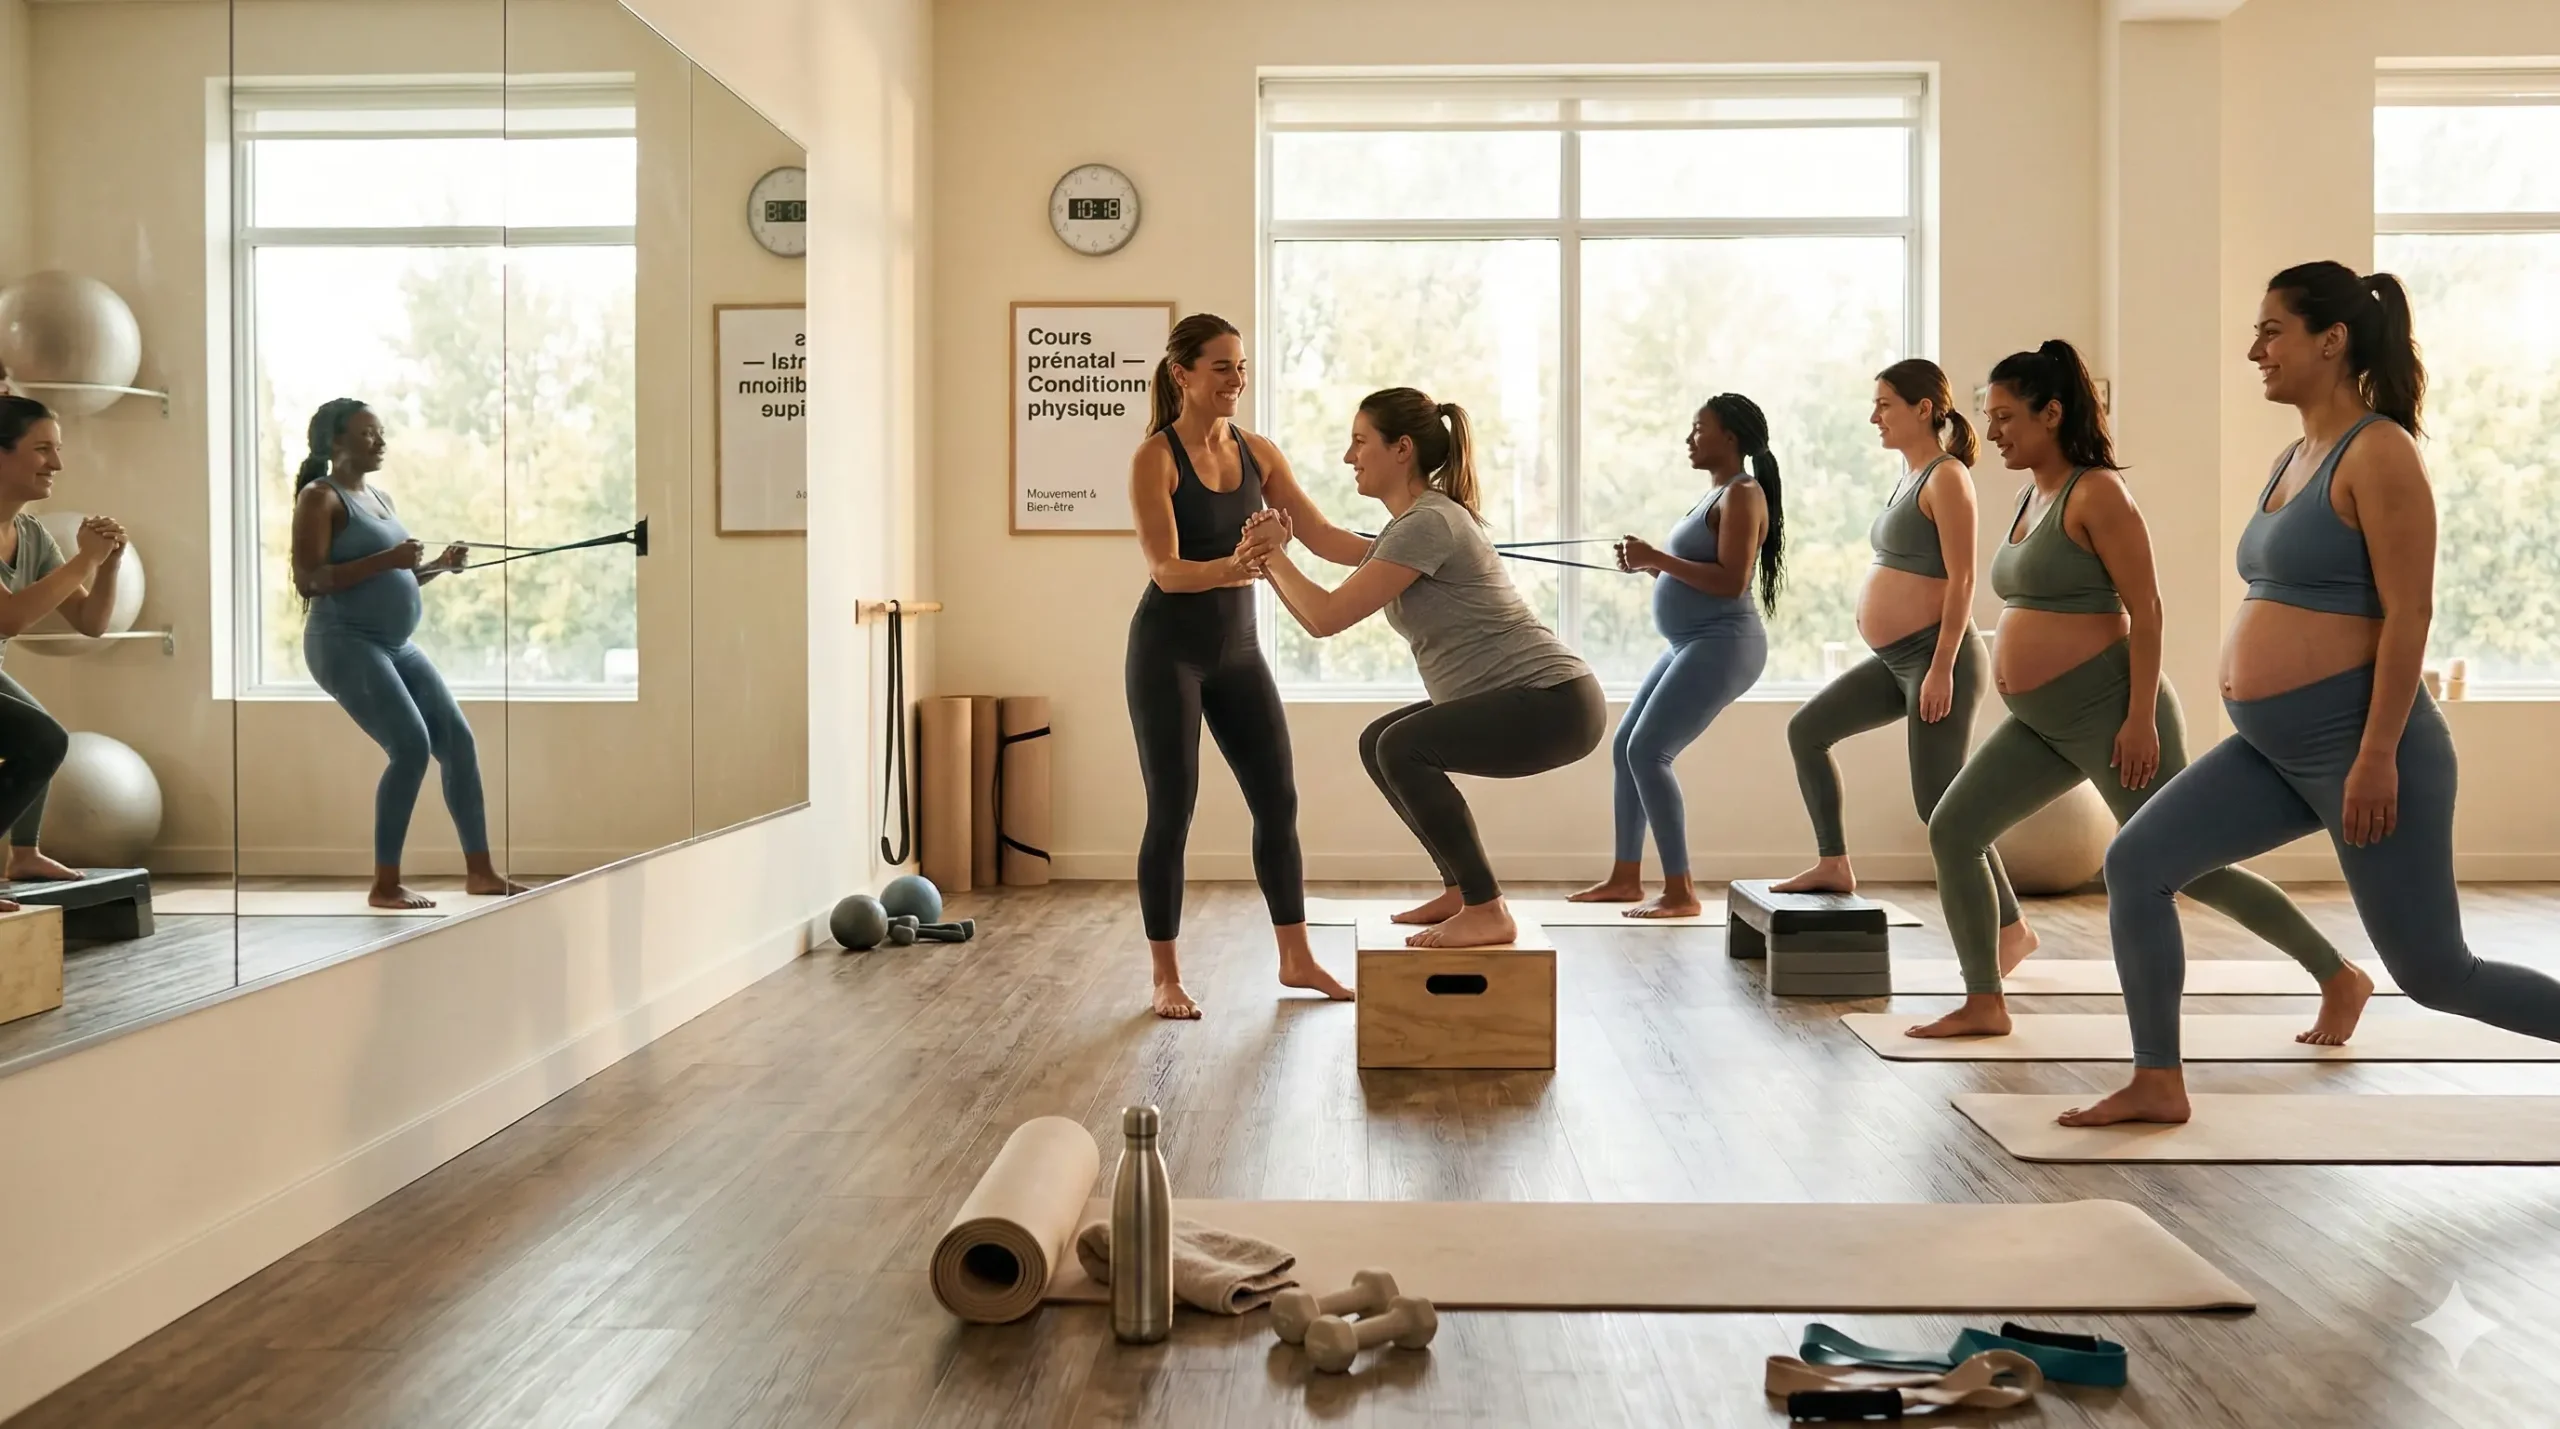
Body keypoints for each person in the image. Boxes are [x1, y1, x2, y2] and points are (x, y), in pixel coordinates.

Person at [2065, 264, 2560, 1126]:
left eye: (2272, 331)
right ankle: (2157, 1078)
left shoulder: (2381, 450)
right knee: (2136, 864)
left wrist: (2375, 755)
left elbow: (2411, 612)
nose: (2254, 349)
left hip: (2365, 745)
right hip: (2273, 749)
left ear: (2331, 340)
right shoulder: (2293, 455)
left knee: (2437, 973)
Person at [1907, 340, 2360, 1042]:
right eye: (1987, 416)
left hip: (2112, 711)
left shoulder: (2100, 492)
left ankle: (2337, 974)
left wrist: (2140, 717)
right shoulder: (2035, 493)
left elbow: (2146, 609)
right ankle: (1984, 1000)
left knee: (2192, 868)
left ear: (2051, 412)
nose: (1991, 431)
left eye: (2004, 416)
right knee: (1954, 828)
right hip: (2042, 720)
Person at [1255, 387, 1606, 950]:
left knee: (1402, 747)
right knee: (1379, 741)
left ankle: (1487, 908)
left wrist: (1272, 555)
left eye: (1359, 442)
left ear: (1402, 450)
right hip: (1545, 698)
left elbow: (1324, 618)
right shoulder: (1408, 526)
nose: (1350, 458)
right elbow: (1324, 541)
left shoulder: (1427, 524)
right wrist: (1271, 494)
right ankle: (1460, 889)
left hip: (1553, 701)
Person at [1124, 313, 1351, 1020]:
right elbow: (1167, 572)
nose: (1236, 378)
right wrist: (1242, 562)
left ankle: (1296, 955)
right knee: (1172, 809)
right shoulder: (1154, 458)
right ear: (1181, 374)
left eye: (1242, 364)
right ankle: (1165, 974)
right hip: (1168, 653)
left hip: (1239, 653)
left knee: (1278, 800)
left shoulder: (1259, 452)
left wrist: (1417, 541)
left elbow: (1321, 535)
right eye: (1220, 366)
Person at [1772, 359, 2034, 969]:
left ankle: (2012, 927)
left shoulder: (1947, 478)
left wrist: (1941, 666)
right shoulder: (1908, 478)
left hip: (1936, 658)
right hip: (1895, 662)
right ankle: (1834, 863)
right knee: (1807, 731)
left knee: (1940, 803)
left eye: (1885, 404)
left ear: (1923, 408)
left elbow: (1965, 579)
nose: (1874, 417)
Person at [291, 398, 520, 910]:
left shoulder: (380, 497)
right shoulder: (319, 499)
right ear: (335, 443)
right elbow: (310, 580)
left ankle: (480, 872)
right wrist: (387, 559)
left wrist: (437, 565)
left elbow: (395, 576)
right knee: (412, 747)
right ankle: (385, 884)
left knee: (458, 743)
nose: (381, 442)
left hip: (395, 645)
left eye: (382, 433)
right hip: (343, 642)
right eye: (368, 434)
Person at [1566, 394, 1782, 918]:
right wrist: (1651, 567)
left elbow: (1732, 582)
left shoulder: (1744, 493)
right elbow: (1698, 574)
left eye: (1697, 429)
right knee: (1626, 747)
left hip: (1723, 642)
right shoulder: (1713, 496)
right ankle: (1625, 878)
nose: (1689, 439)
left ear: (1728, 438)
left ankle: (1681, 892)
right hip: (1693, 641)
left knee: (1648, 752)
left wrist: (1657, 558)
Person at [0, 395, 129, 903]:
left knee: (39, 730)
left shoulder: (29, 534)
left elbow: (90, 622)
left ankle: (24, 854)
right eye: (42, 449)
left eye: (57, 449)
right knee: (41, 737)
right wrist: (86, 559)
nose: (57, 463)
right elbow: (9, 617)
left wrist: (109, 564)